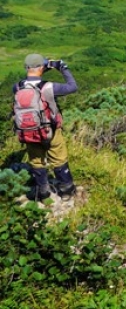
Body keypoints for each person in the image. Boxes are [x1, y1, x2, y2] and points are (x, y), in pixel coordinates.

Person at [12, 53, 78, 201]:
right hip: (51, 131)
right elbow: (72, 87)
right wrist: (62, 67)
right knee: (59, 158)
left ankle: (43, 192)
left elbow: (32, 80)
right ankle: (66, 190)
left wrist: (41, 68)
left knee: (36, 161)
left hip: (28, 132)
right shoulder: (49, 87)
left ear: (27, 68)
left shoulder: (17, 87)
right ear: (42, 67)